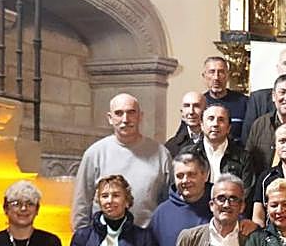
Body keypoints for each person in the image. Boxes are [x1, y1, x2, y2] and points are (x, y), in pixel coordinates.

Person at [72, 93, 171, 230]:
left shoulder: (161, 154)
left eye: (131, 112)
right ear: (110, 118)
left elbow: (168, 204)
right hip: (104, 238)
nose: (125, 119)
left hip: (147, 240)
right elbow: (81, 203)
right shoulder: (95, 153)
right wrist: (82, 239)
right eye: (119, 113)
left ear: (140, 116)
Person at [195, 104, 254, 192]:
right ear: (202, 125)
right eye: (211, 119)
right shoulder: (189, 155)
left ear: (229, 128)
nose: (215, 124)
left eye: (221, 120)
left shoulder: (243, 158)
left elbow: (246, 193)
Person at [164, 90, 206, 155]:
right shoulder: (171, 147)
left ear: (205, 110)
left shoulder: (218, 140)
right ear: (182, 112)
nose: (191, 112)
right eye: (187, 106)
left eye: (196, 106)